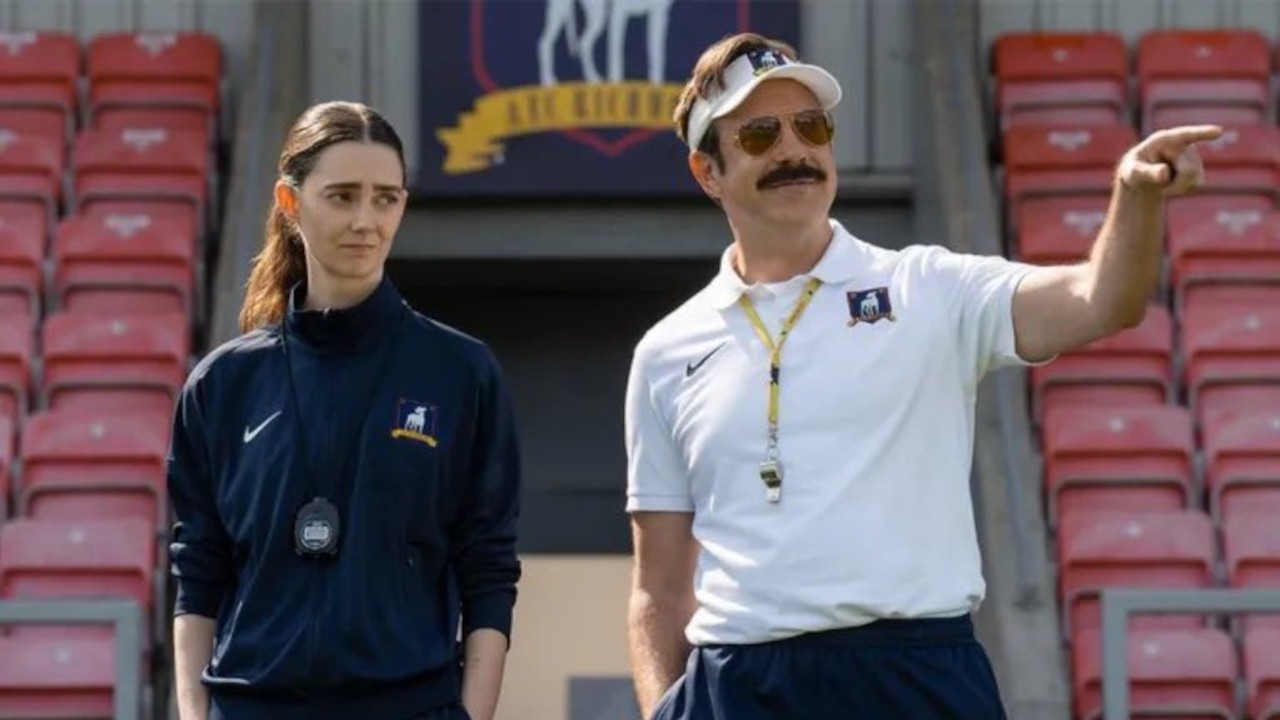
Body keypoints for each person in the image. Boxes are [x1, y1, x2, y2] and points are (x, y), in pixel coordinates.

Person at [623, 32, 1220, 719]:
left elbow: (1101, 301)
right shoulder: (665, 351)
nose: (794, 150)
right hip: (737, 684)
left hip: (916, 674)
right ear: (708, 172)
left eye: (811, 127)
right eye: (760, 135)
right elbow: (658, 589)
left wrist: (1135, 196)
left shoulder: (928, 286)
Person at [167, 101, 522, 720]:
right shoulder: (223, 384)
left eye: (386, 199)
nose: (366, 221)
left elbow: (488, 568)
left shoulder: (462, 373)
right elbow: (198, 571)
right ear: (289, 201)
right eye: (342, 196)